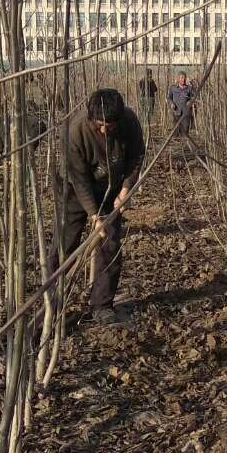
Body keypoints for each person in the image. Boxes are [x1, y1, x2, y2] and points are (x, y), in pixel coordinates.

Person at [51, 87, 145, 327]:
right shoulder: (76, 130)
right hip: (73, 188)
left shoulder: (130, 123)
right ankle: (51, 303)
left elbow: (136, 157)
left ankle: (102, 305)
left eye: (110, 126)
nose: (104, 130)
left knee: (110, 244)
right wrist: (94, 215)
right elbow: (79, 179)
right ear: (91, 119)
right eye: (99, 125)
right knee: (66, 243)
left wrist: (126, 190)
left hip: (111, 186)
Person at [167, 70, 195, 136]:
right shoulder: (173, 88)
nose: (183, 79)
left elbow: (194, 97)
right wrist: (171, 103)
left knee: (185, 132)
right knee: (175, 132)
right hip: (176, 113)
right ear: (178, 79)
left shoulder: (189, 88)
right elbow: (168, 98)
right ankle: (176, 144)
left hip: (186, 113)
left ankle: (184, 144)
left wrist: (190, 101)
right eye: (182, 78)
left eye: (184, 77)